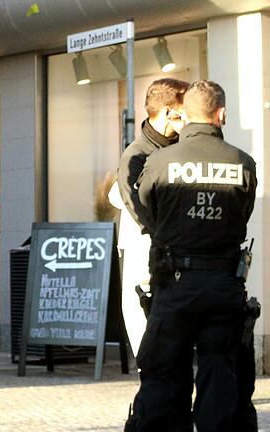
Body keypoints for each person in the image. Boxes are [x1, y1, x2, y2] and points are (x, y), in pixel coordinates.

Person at [125, 80, 257, 432]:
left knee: (163, 378)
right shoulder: (243, 163)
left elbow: (149, 211)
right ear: (222, 114)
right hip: (224, 288)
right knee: (221, 380)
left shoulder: (158, 161)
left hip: (174, 285)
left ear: (185, 114)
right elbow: (241, 214)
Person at [116, 78, 189, 355]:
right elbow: (139, 210)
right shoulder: (135, 156)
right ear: (171, 112)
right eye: (186, 109)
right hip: (150, 254)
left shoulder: (181, 147)